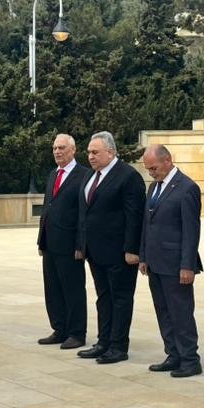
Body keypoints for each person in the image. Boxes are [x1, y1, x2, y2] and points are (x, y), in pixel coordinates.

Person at [74, 131, 144, 364]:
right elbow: (85, 214)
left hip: (119, 253)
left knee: (121, 298)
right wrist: (81, 245)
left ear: (111, 152)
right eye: (89, 152)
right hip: (95, 252)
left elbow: (134, 216)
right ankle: (103, 341)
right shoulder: (90, 177)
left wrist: (132, 249)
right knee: (103, 297)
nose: (91, 156)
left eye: (95, 152)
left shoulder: (128, 176)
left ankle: (118, 346)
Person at [137, 144, 203, 378]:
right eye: (148, 169)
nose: (151, 173)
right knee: (163, 310)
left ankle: (190, 359)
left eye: (153, 168)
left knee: (181, 311)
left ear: (168, 161)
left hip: (176, 264)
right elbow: (147, 224)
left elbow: (191, 231)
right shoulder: (154, 187)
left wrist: (187, 265)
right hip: (155, 262)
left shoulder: (187, 188)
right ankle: (173, 354)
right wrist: (143, 256)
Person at [36, 134, 88, 349]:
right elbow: (48, 209)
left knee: (73, 289)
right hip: (50, 243)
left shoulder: (84, 175)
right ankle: (60, 328)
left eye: (62, 148)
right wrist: (41, 240)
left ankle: (77, 333)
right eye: (55, 148)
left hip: (70, 246)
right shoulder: (53, 174)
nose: (57, 151)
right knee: (53, 288)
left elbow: (83, 214)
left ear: (73, 150)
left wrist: (80, 245)